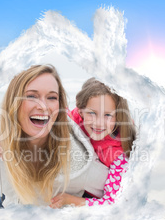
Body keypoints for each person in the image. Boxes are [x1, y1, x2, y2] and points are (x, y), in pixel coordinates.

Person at [0, 65, 109, 206]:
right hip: (6, 203)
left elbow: (121, 198)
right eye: (31, 96)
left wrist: (77, 201)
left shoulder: (81, 167)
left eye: (52, 97)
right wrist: (4, 127)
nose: (44, 106)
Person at [50, 78, 136, 207]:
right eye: (92, 113)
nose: (98, 123)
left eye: (108, 115)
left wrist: (71, 200)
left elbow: (112, 203)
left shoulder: (120, 155)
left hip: (93, 198)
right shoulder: (73, 119)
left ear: (118, 117)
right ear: (81, 111)